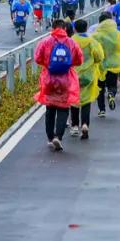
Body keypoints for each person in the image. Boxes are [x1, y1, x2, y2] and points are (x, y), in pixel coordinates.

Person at [34, 19, 84, 151]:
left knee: (50, 109)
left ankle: (50, 137)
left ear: (53, 28)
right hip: (66, 80)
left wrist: (47, 64)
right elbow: (79, 60)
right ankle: (58, 136)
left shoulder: (45, 41)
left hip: (49, 79)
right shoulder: (71, 42)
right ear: (65, 29)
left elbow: (37, 58)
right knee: (63, 108)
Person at [70, 18, 104, 140]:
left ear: (75, 29)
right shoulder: (92, 41)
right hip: (88, 75)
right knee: (86, 100)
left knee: (74, 99)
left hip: (73, 74)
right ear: (86, 28)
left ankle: (74, 126)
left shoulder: (71, 41)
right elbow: (99, 57)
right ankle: (85, 124)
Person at [93, 12, 120, 117]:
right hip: (113, 64)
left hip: (100, 66)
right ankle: (111, 94)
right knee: (112, 85)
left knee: (100, 88)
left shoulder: (96, 35)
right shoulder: (118, 34)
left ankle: (102, 110)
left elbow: (93, 49)